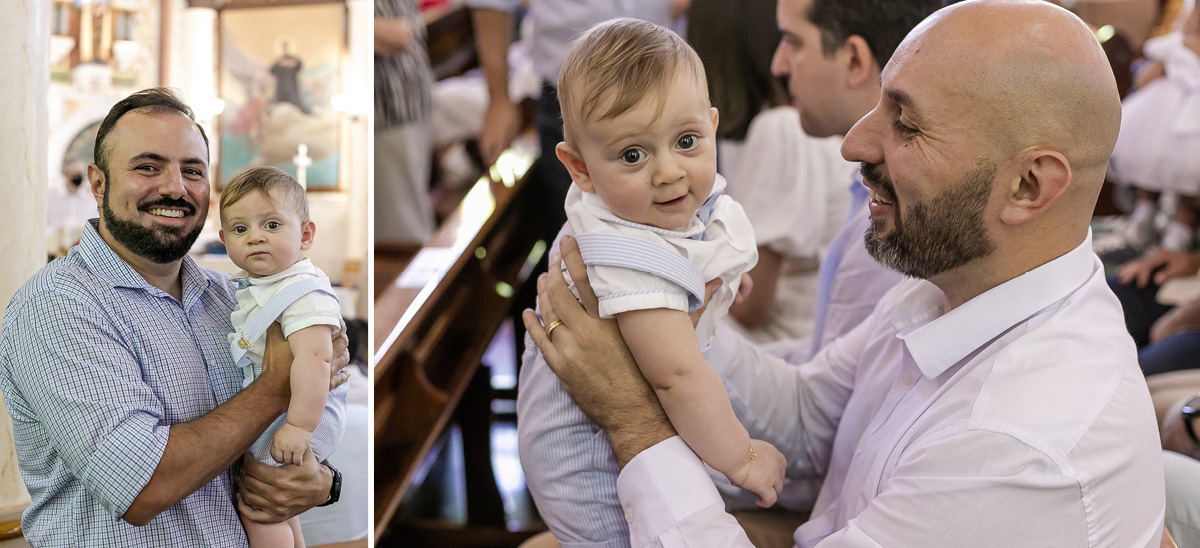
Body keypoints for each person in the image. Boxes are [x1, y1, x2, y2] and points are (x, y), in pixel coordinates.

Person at [524, 1, 1166, 546]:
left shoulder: (1017, 445)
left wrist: (634, 418)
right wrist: (670, 317)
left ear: (1028, 186)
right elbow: (808, 424)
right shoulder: (958, 287)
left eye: (905, 123)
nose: (854, 144)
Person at [0, 88, 349, 547]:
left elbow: (319, 405)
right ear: (98, 182)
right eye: (148, 166)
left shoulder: (236, 297)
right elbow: (141, 487)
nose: (175, 188)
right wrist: (277, 385)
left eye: (192, 171)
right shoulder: (57, 307)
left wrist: (321, 480)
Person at [517, 19, 785, 548]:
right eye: (633, 155)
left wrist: (718, 278)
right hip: (584, 464)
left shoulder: (650, 208)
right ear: (580, 169)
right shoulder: (626, 253)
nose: (667, 172)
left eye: (686, 141)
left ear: (709, 126)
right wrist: (742, 457)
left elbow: (696, 246)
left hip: (615, 439)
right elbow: (676, 377)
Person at [465, 0, 683, 251]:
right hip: (572, 103)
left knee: (679, 222)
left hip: (665, 89)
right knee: (579, 244)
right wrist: (499, 98)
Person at [218, 167, 343, 548]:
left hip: (300, 414)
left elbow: (317, 359)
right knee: (281, 510)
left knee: (259, 509)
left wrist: (300, 427)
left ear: (305, 234)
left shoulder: (302, 291)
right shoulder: (264, 285)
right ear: (224, 240)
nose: (255, 236)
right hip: (286, 412)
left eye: (271, 225)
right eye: (240, 230)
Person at [1107, 0, 1200, 251]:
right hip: (1178, 122)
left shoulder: (1176, 47)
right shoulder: (1176, 47)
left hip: (1176, 121)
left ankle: (1157, 221)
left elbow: (1143, 79)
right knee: (1179, 176)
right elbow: (1145, 78)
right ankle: (1170, 228)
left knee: (1168, 168)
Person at [375, 0, 436, 245]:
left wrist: (334, 16)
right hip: (399, 106)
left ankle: (422, 284)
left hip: (392, 109)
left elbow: (399, 35)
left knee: (403, 236)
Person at [1110, 248, 1200, 375]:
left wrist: (1178, 320)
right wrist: (1192, 259)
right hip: (1185, 288)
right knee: (1102, 296)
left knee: (1130, 373)